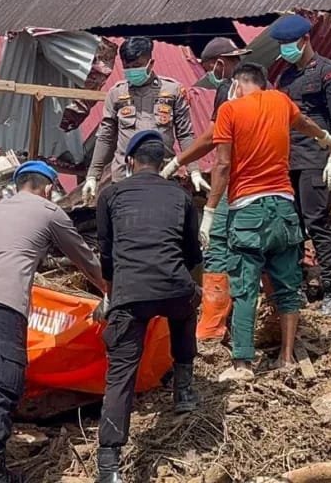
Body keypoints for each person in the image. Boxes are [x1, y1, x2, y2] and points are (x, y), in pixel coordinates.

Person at [0, 161, 104, 482]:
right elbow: (84, 257)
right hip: (4, 301)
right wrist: (109, 290)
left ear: (17, 184)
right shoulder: (49, 211)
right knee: (3, 381)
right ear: (49, 188)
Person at [203, 63, 331, 381]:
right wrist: (326, 139)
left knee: (245, 288)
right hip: (283, 208)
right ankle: (286, 357)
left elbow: (222, 165)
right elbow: (305, 123)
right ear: (263, 83)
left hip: (247, 210)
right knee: (288, 288)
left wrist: (209, 212)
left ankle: (242, 364)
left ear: (237, 84)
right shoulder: (280, 100)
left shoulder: (229, 110)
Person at [94, 130, 202, 482]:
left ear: (129, 161)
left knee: (120, 375)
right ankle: (183, 389)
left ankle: (108, 465)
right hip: (174, 287)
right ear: (162, 163)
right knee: (185, 309)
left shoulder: (110, 195)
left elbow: (107, 254)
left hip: (130, 294)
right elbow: (192, 253)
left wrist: (111, 296)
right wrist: (190, 286)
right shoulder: (181, 195)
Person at [160, 37, 251, 341]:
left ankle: (213, 325)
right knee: (256, 249)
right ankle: (255, 317)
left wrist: (180, 161)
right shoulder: (263, 87)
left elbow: (214, 139)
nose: (208, 73)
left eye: (209, 67)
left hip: (237, 179)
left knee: (217, 245)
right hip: (269, 183)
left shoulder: (229, 89)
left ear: (219, 64)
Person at [271, 14, 331, 317]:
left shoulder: (329, 73)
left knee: (317, 222)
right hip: (289, 160)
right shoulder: (285, 77)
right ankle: (298, 287)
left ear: (305, 40)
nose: (285, 49)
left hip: (317, 160)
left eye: (289, 43)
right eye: (281, 44)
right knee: (291, 226)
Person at [82, 36, 204, 203]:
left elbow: (185, 134)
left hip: (162, 174)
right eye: (128, 67)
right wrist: (92, 176)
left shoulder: (172, 90)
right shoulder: (116, 93)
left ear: (150, 63)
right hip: (125, 177)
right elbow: (105, 136)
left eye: (137, 66)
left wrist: (194, 170)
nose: (132, 71)